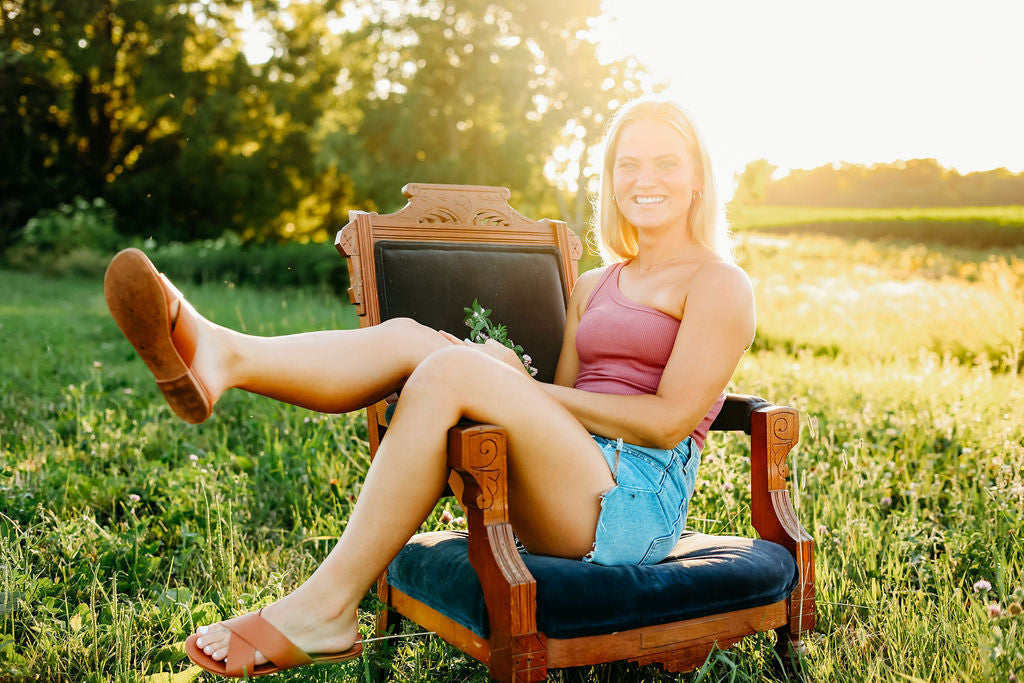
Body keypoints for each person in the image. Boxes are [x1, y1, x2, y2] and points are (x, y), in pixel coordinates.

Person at [103, 96, 755, 678]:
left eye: (667, 163)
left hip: (636, 503)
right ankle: (223, 356)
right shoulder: (594, 284)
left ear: (698, 179)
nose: (645, 179)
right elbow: (564, 410)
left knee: (451, 365)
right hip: (575, 479)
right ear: (611, 180)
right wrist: (519, 387)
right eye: (628, 164)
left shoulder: (720, 284)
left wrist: (512, 385)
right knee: (414, 338)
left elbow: (668, 421)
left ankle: (326, 606)